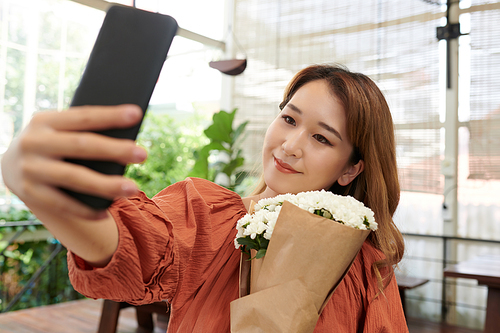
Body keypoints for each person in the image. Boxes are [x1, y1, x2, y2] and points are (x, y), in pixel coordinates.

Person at [1, 64, 408, 332]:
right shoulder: (210, 219)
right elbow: (132, 245)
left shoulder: (365, 265)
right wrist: (55, 198)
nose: (291, 145)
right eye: (289, 119)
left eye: (321, 137)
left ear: (350, 168)